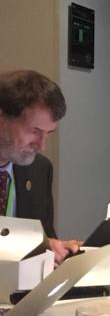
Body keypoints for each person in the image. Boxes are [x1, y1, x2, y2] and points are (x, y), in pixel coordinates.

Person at [0, 70, 82, 263]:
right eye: (34, 131)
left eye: (48, 133)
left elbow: (43, 238)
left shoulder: (39, 169)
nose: (41, 145)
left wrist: (54, 250)